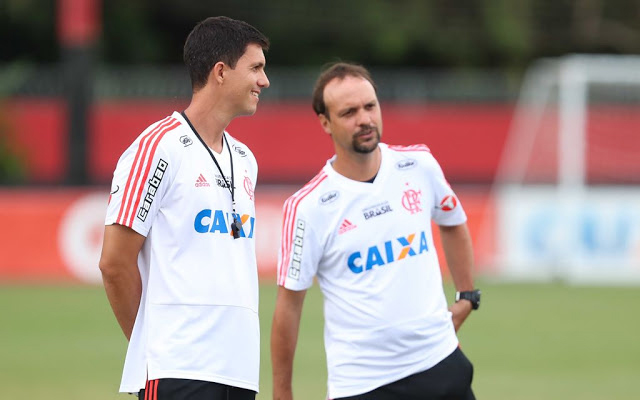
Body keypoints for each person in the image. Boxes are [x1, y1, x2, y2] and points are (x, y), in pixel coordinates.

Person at [271, 62, 480, 400]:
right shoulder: (308, 207)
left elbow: (453, 222)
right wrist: (282, 393)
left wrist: (467, 296)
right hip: (364, 386)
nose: (365, 119)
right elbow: (289, 306)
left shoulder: (419, 165)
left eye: (370, 106)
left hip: (441, 364)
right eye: (349, 112)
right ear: (325, 122)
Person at [99, 16, 269, 400]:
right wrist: (154, 343)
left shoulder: (245, 159)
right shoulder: (158, 148)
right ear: (221, 72)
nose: (265, 81)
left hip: (239, 370)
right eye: (256, 68)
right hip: (177, 368)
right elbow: (114, 263)